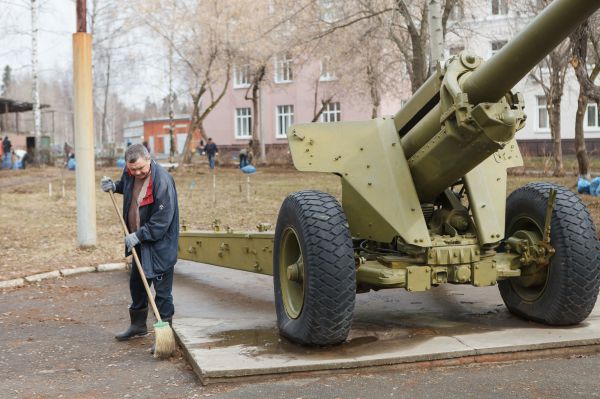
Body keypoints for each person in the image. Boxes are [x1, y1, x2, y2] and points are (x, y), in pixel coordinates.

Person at [100, 143, 179, 345]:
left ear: (149, 159)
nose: (137, 172)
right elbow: (129, 188)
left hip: (159, 246)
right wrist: (115, 186)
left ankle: (166, 337)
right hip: (140, 244)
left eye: (141, 168)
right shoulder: (130, 173)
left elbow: (163, 220)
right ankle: (138, 326)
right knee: (137, 285)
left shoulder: (162, 181)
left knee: (162, 293)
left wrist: (140, 235)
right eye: (133, 169)